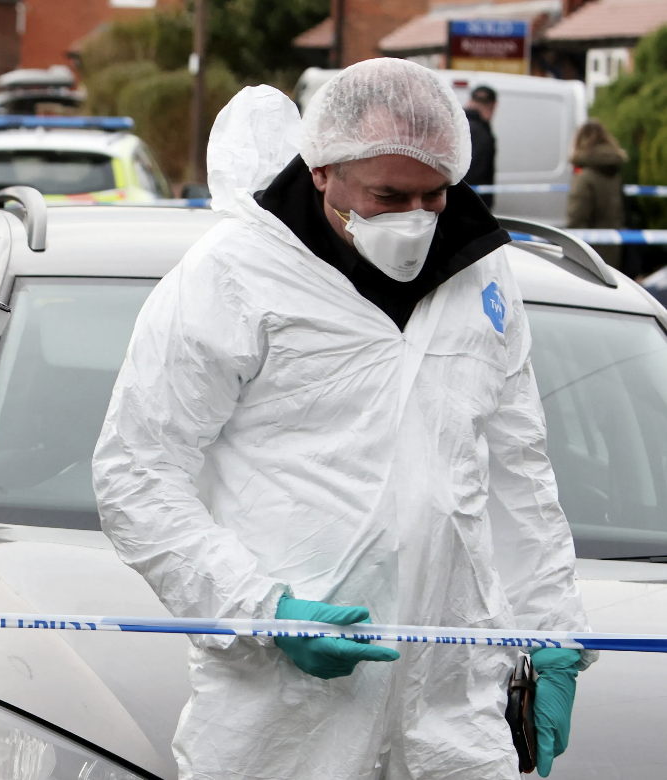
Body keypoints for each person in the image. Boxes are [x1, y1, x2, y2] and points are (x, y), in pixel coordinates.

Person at [93, 59, 592, 780]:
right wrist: (264, 611)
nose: (416, 219)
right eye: (388, 196)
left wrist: (554, 635)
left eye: (434, 195)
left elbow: (518, 470)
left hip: (452, 700)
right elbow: (137, 473)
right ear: (322, 170)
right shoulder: (233, 275)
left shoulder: (481, 273)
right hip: (284, 712)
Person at [567, 119, 627, 269]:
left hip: (590, 257)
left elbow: (576, 220)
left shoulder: (585, 178)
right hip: (614, 252)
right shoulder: (615, 175)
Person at [464, 84, 497, 209]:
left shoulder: (459, 124)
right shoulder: (481, 133)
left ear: (470, 102)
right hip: (472, 204)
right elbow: (474, 172)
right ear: (493, 106)